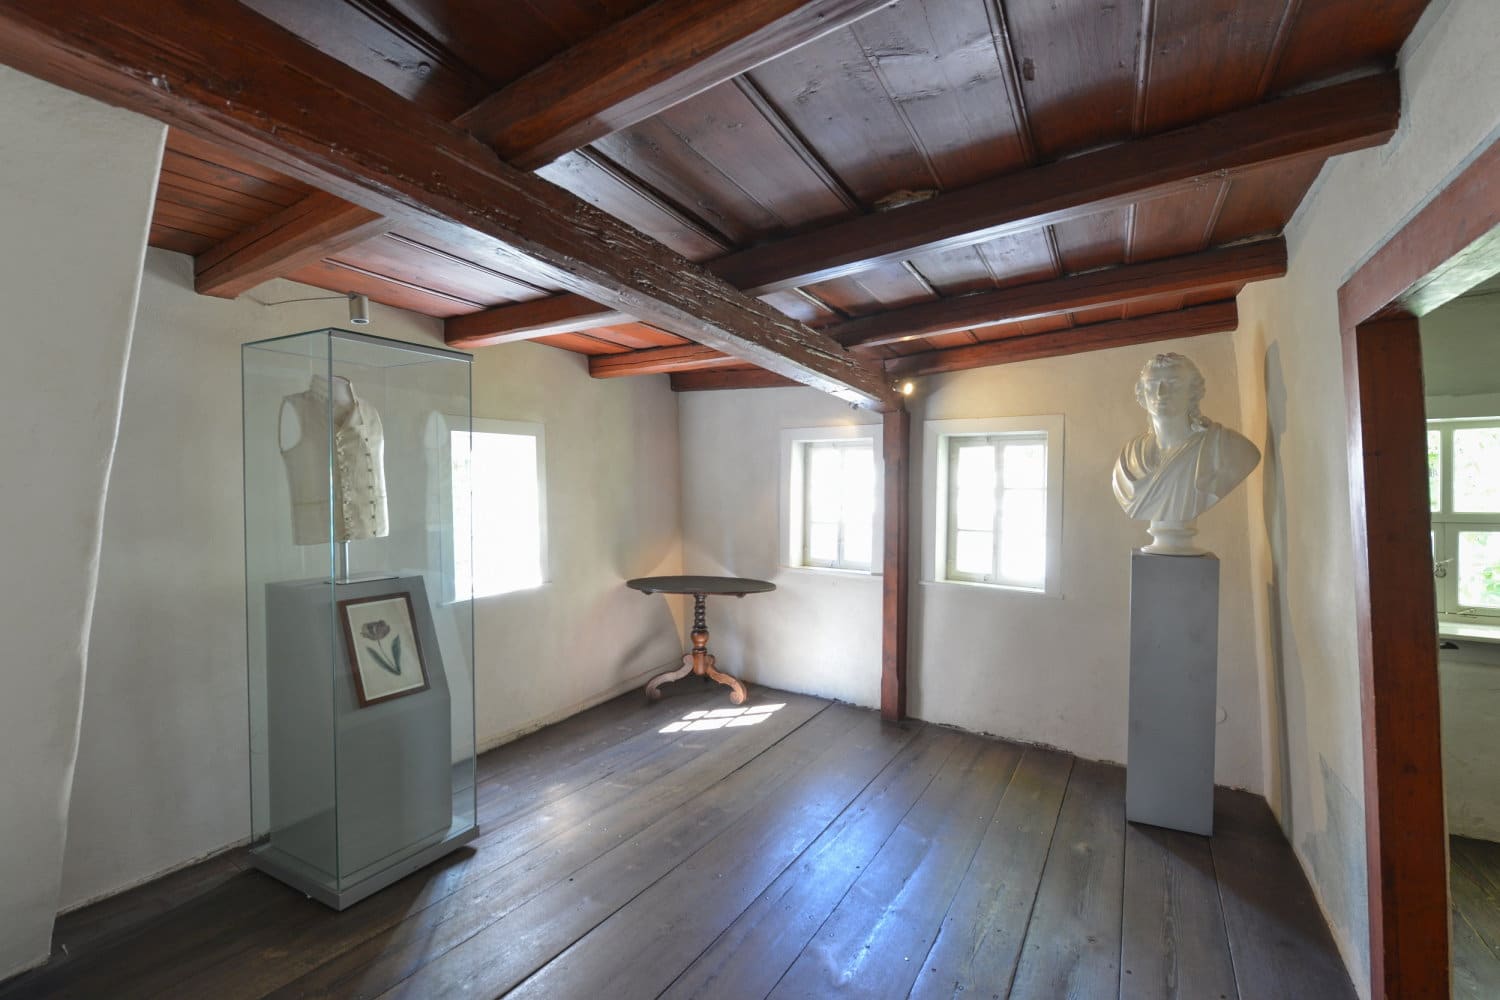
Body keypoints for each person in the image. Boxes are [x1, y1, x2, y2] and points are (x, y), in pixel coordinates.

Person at [1111, 353, 1260, 554]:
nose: (1161, 393)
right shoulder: (1129, 458)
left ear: (1193, 392)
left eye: (1174, 384)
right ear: (1141, 394)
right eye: (1152, 385)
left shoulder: (1227, 447)